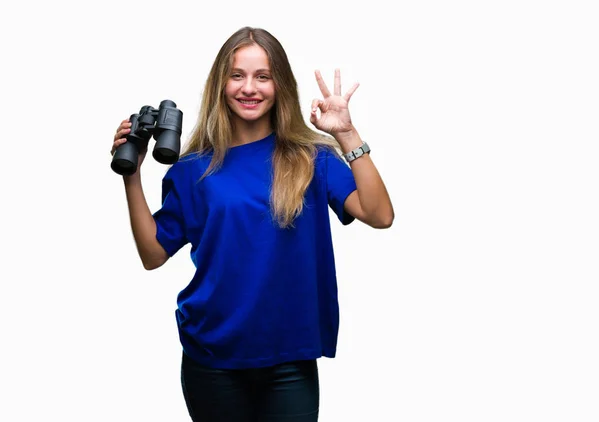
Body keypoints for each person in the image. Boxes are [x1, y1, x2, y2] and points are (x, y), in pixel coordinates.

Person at [111, 26, 394, 422]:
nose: (250, 87)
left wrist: (347, 134)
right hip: (212, 357)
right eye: (237, 75)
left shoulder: (312, 158)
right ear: (221, 85)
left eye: (263, 76)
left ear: (280, 85)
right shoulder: (194, 170)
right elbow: (153, 254)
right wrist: (132, 175)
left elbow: (380, 215)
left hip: (288, 358)